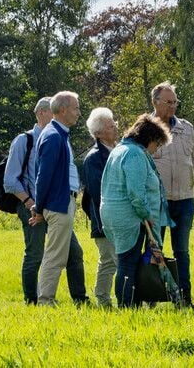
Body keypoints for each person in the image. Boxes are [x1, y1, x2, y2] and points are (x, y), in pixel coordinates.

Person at [100, 114, 173, 308]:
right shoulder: (134, 154)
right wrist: (146, 215)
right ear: (149, 139)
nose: (156, 150)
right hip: (129, 217)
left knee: (126, 260)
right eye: (157, 144)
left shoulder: (119, 150)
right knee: (128, 262)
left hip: (115, 214)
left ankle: (131, 303)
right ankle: (127, 306)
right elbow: (136, 192)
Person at [2, 97, 66, 305]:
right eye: (53, 112)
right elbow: (10, 181)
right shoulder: (24, 140)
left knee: (73, 253)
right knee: (35, 254)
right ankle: (31, 300)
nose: (57, 116)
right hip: (29, 205)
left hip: (53, 206)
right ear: (40, 113)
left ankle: (80, 298)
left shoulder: (57, 138)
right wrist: (31, 204)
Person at [33, 90, 88, 307]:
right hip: (59, 203)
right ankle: (46, 301)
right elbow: (43, 176)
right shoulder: (54, 136)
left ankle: (50, 298)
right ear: (63, 110)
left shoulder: (58, 134)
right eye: (75, 108)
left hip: (61, 202)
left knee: (67, 254)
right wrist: (39, 207)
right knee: (55, 256)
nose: (78, 113)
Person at [149, 81, 194, 307]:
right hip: (157, 202)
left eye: (175, 102)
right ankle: (151, 298)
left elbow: (193, 160)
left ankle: (184, 299)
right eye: (169, 102)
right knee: (154, 250)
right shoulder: (146, 128)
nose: (173, 106)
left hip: (184, 200)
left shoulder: (186, 128)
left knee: (182, 251)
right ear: (155, 103)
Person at [81, 107, 119, 308]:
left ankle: (103, 299)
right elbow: (98, 193)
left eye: (114, 123)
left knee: (108, 261)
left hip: (116, 218)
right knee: (115, 259)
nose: (115, 128)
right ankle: (112, 300)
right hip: (104, 219)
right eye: (110, 125)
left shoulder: (118, 150)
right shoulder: (94, 158)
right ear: (98, 133)